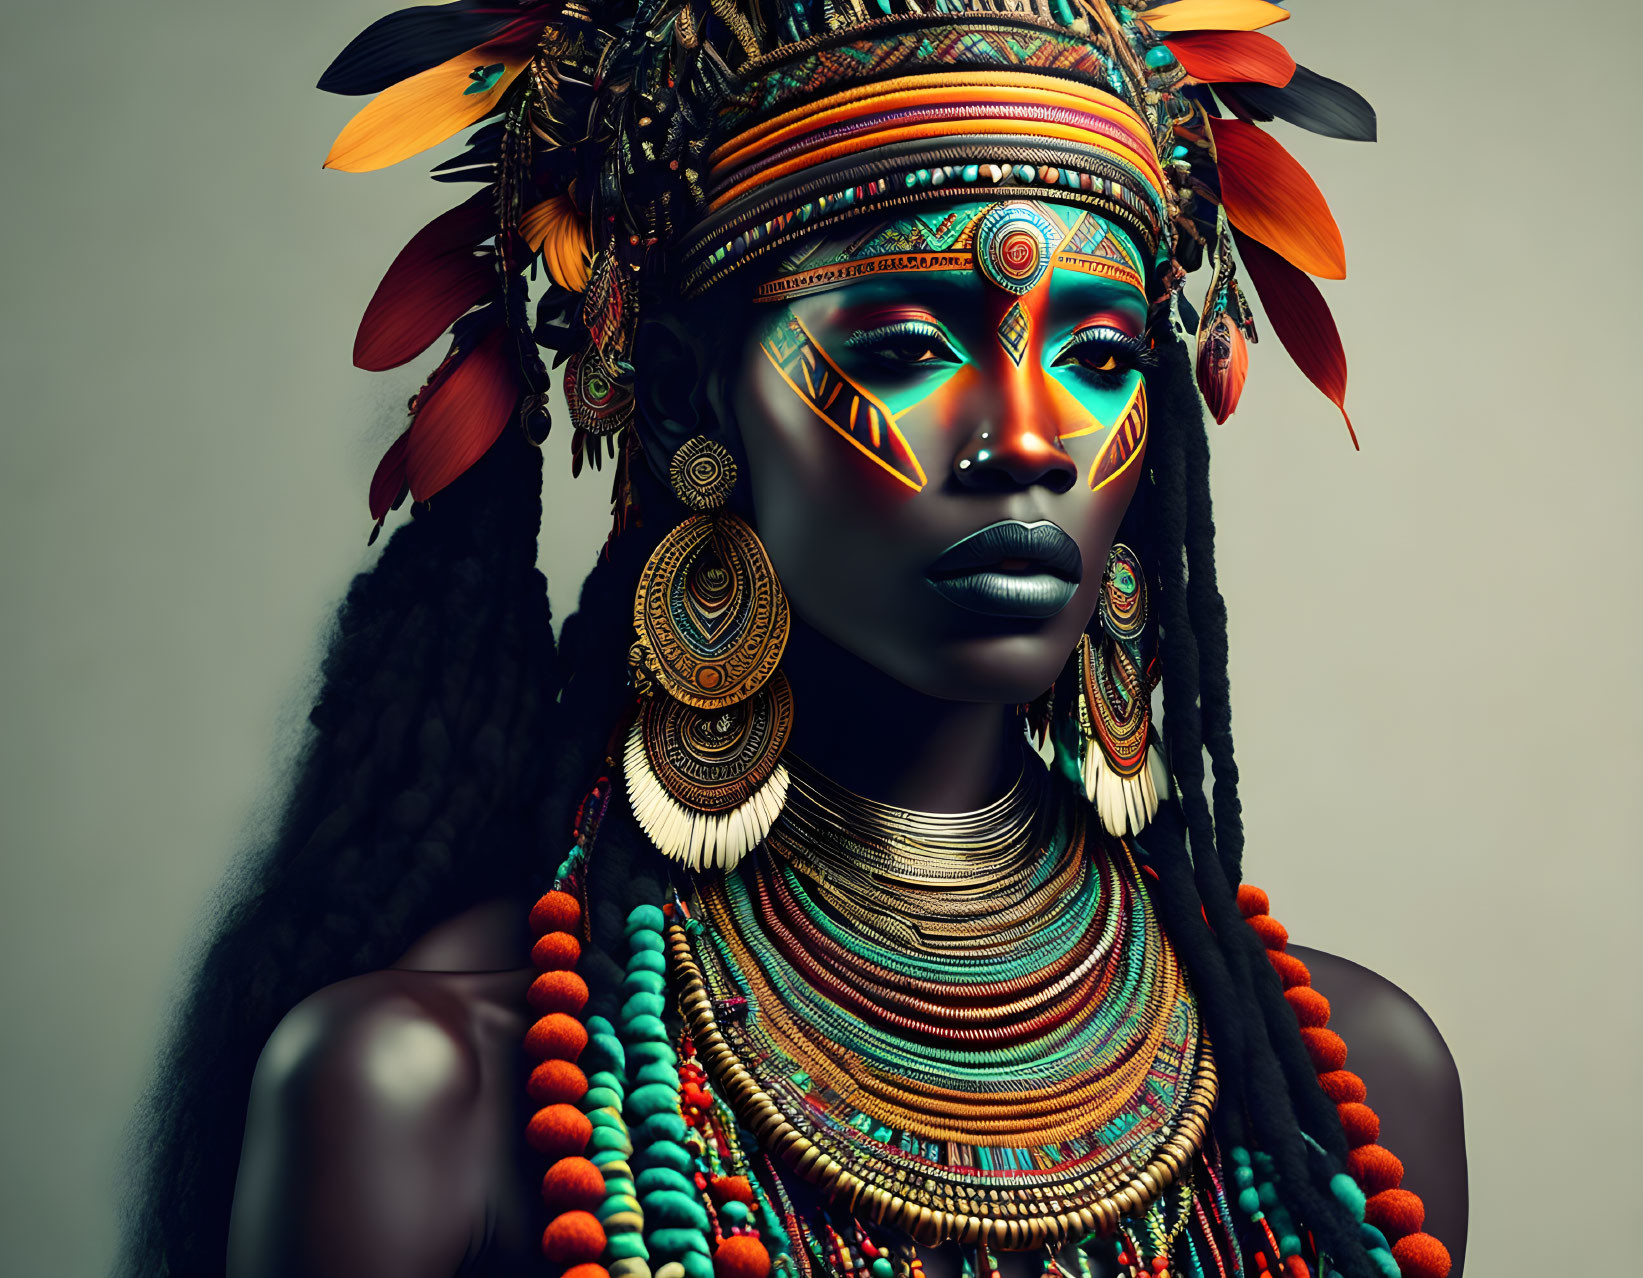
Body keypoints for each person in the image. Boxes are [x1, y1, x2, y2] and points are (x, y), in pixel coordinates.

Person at [121, 1, 1467, 1275]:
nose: (1029, 442)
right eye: (901, 347)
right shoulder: (429, 1087)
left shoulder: (1353, 1084)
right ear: (699, 394)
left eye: (1101, 357)